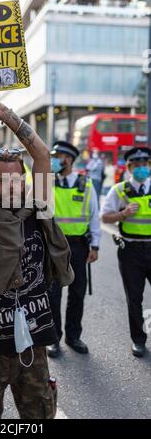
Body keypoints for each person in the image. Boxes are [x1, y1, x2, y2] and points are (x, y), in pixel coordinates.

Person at [0, 87, 74, 419]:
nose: (12, 186)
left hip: (33, 342)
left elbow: (41, 156)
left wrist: (7, 116)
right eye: (3, 180)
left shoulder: (37, 206)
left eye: (16, 180)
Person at [47, 142, 100, 358]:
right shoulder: (47, 182)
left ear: (69, 160)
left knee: (77, 292)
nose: (54, 160)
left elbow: (94, 217)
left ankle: (73, 336)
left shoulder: (86, 184)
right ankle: (53, 339)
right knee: (53, 294)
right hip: (54, 245)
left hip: (79, 245)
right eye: (53, 156)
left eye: (58, 156)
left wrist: (95, 245)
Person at [101, 147, 151, 358]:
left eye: (144, 164)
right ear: (129, 168)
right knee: (134, 298)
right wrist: (122, 213)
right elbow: (105, 217)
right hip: (131, 250)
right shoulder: (119, 190)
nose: (141, 168)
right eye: (136, 165)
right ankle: (138, 340)